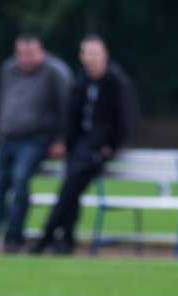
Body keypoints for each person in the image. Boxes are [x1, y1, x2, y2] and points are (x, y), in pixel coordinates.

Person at [31, 35, 136, 256]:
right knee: (72, 193)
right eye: (87, 53)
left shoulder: (116, 82)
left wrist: (111, 144)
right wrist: (65, 141)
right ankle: (66, 241)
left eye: (95, 53)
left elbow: (126, 118)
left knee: (69, 191)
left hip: (97, 148)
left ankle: (46, 237)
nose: (91, 58)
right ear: (81, 56)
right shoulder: (82, 81)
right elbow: (71, 115)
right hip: (78, 145)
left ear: (104, 55)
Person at [0, 34, 71, 254]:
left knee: (20, 184)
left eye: (31, 53)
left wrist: (60, 139)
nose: (26, 59)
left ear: (41, 51)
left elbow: (66, 109)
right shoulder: (9, 69)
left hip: (36, 139)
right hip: (8, 138)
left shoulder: (55, 72)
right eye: (21, 54)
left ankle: (13, 239)